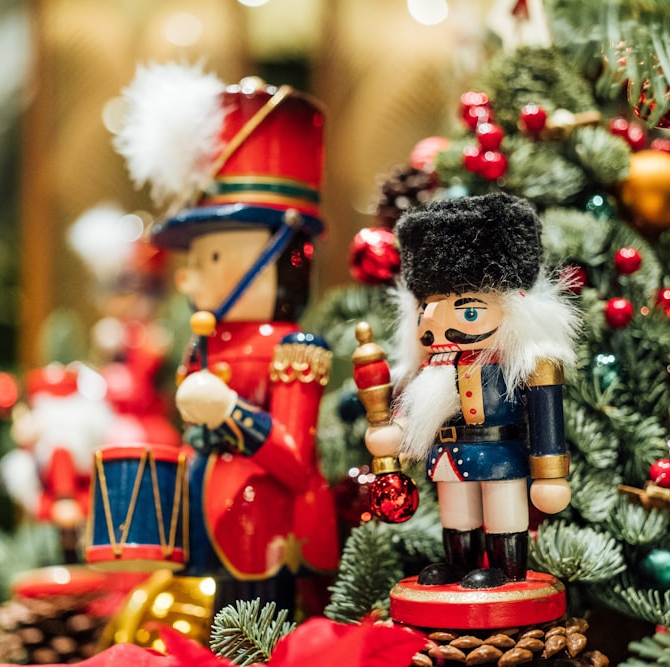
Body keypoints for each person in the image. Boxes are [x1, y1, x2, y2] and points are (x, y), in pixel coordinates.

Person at [105, 64, 339, 614]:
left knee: (261, 621)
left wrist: (229, 412)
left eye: (211, 256)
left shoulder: (294, 347)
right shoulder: (203, 340)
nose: (188, 277)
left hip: (267, 528)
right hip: (203, 519)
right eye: (193, 259)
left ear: (274, 257)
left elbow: (292, 459)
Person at [365, 193, 580, 588]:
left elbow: (546, 416)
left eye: (468, 311)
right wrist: (393, 431)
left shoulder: (522, 365)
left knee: (503, 511)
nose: (439, 326)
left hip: (500, 455)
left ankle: (506, 570)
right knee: (456, 514)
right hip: (447, 456)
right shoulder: (430, 369)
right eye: (427, 310)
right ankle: (459, 564)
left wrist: (550, 475)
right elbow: (409, 413)